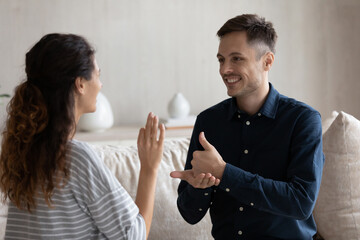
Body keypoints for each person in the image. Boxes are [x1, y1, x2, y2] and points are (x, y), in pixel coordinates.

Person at [170, 14, 324, 239]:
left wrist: (224, 172)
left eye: (237, 59)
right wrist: (199, 188)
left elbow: (301, 203)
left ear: (267, 61)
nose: (225, 69)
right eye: (221, 60)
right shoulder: (209, 122)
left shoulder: (303, 120)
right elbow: (189, 214)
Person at [0, 33, 165, 239]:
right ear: (80, 84)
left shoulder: (21, 153)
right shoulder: (76, 158)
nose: (101, 84)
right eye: (98, 75)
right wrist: (149, 169)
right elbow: (133, 235)